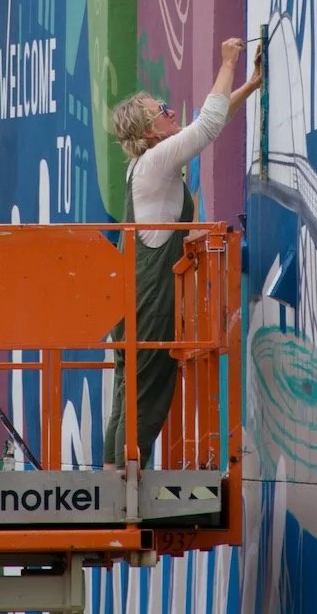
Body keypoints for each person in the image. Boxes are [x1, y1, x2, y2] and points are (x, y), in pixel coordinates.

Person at [104, 38, 261, 467]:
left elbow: (205, 125)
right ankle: (124, 488)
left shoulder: (147, 165)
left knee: (129, 395)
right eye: (162, 111)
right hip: (149, 302)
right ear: (149, 132)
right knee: (146, 398)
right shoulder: (156, 162)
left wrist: (249, 86)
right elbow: (206, 127)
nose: (171, 112)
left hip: (131, 301)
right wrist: (227, 62)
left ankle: (112, 480)